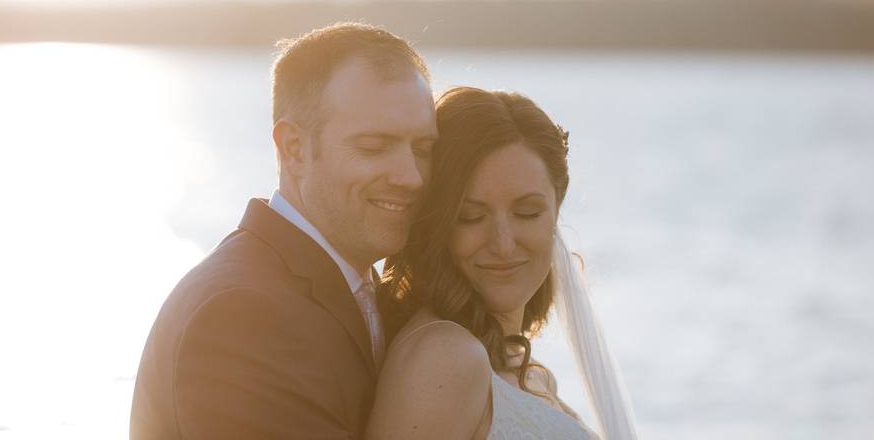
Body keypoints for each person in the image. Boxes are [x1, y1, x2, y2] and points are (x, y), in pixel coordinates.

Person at [130, 23, 438, 439]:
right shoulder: (241, 315)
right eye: (374, 147)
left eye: (422, 149)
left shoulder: (366, 294)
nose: (412, 177)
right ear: (293, 148)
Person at [367, 87, 638, 440]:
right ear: (438, 223)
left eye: (527, 212)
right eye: (471, 216)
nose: (504, 245)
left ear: (557, 205)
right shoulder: (443, 360)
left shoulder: (522, 371)